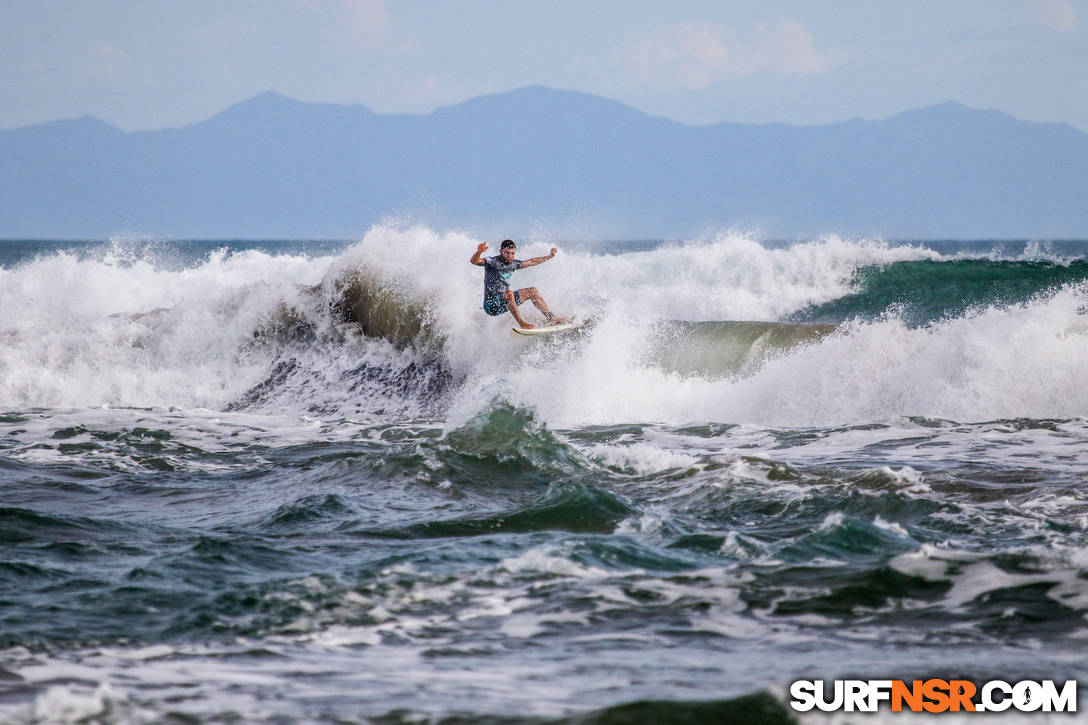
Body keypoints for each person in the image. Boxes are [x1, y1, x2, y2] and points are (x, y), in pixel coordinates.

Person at [470, 239, 568, 329]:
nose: (510, 256)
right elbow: (474, 261)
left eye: (512, 253)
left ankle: (552, 319)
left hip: (505, 302)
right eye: (507, 253)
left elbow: (532, 261)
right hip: (491, 305)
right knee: (509, 293)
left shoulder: (514, 264)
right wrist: (479, 252)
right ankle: (522, 323)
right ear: (501, 252)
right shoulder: (492, 262)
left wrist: (550, 256)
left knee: (532, 291)